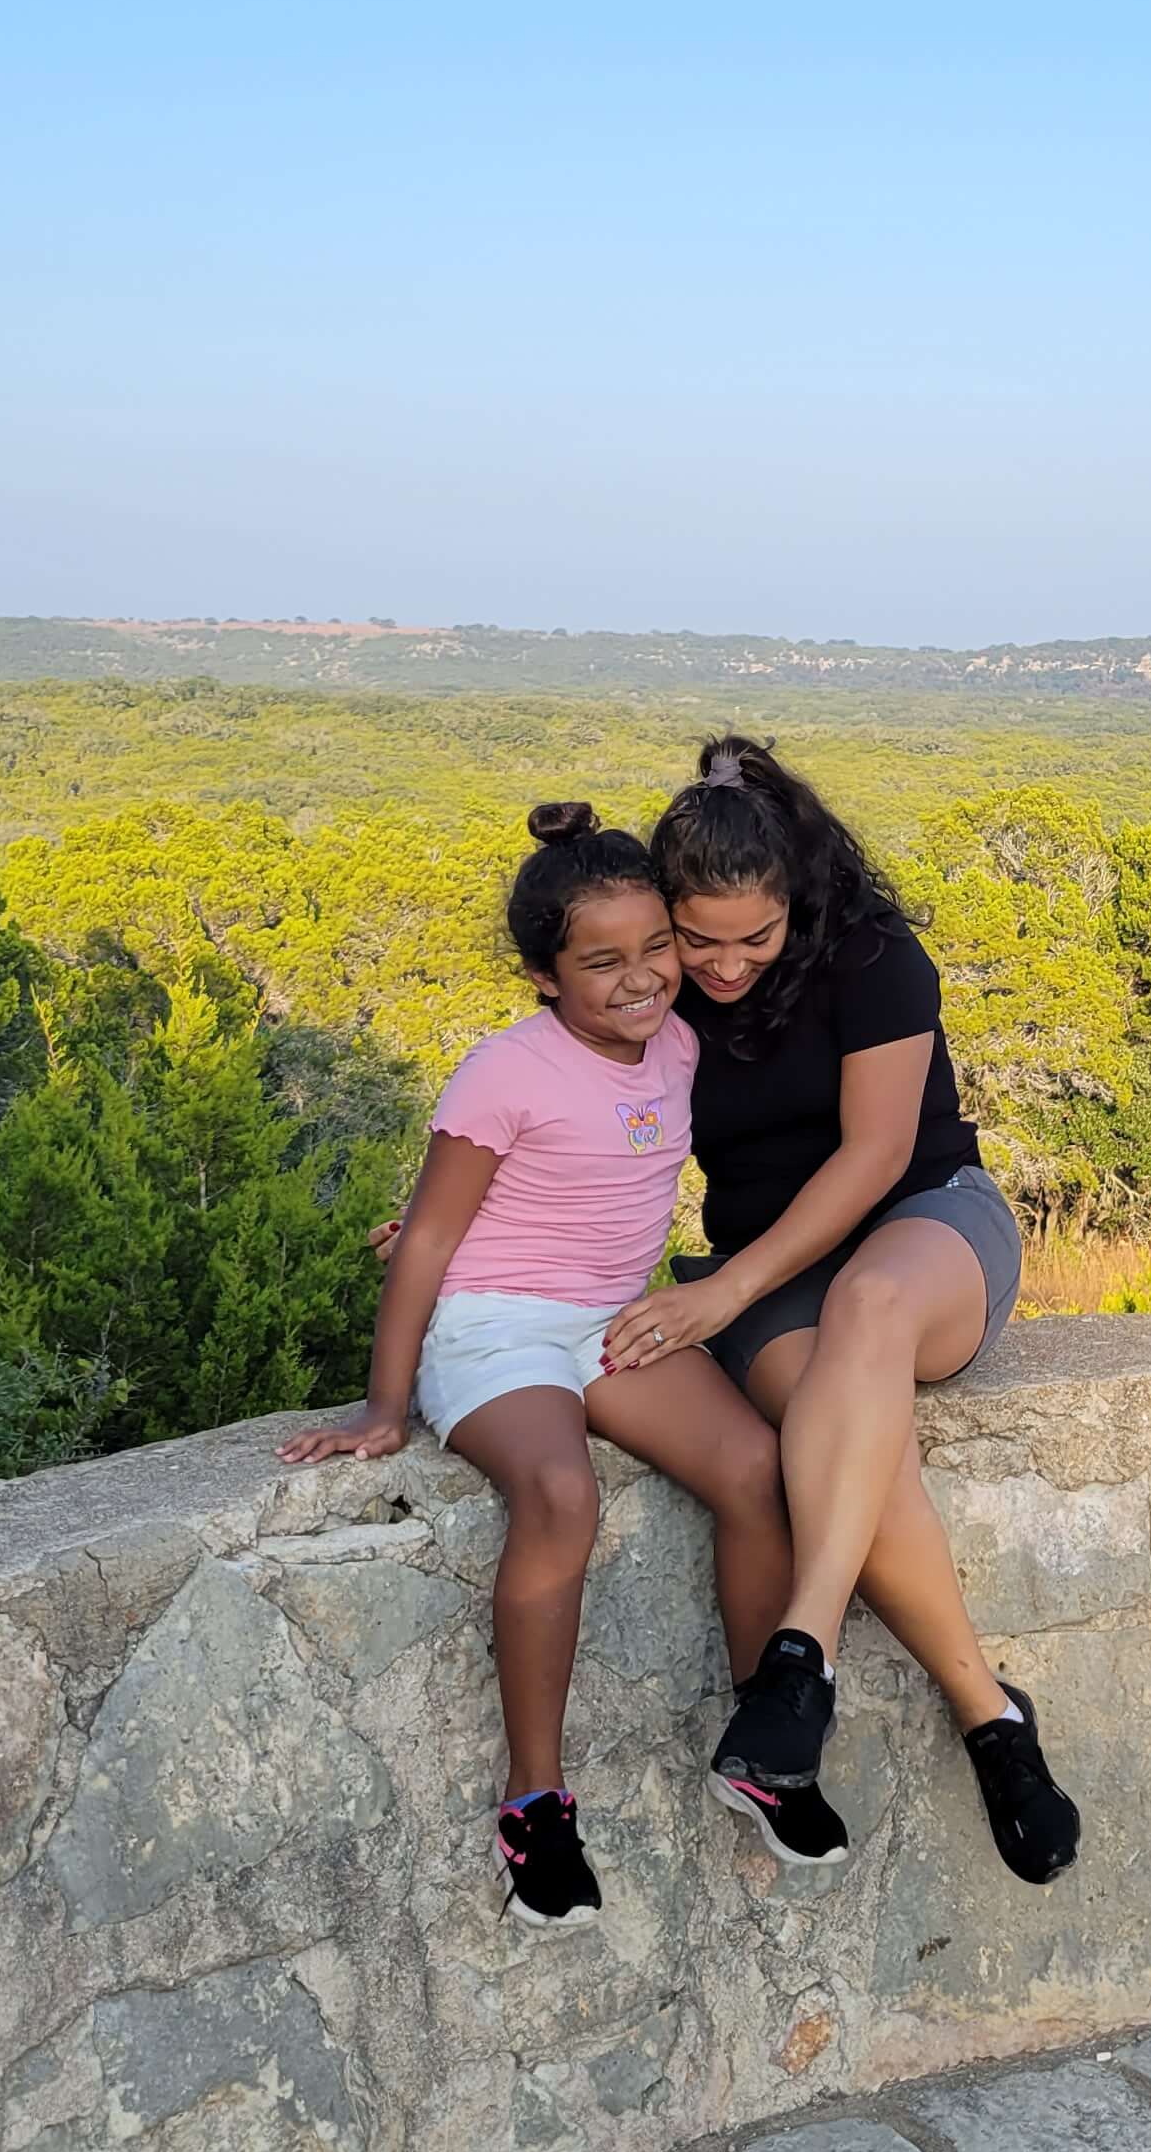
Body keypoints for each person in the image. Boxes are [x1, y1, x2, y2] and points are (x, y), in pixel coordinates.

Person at [278, 801, 828, 1929]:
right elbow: (431, 1238)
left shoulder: (680, 1042)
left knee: (757, 1467)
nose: (643, 979)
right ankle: (535, 1798)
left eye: (656, 948)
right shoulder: (503, 1072)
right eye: (602, 962)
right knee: (558, 1491)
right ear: (542, 973)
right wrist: (387, 1405)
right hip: (493, 1325)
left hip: (611, 1318)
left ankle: (763, 1743)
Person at [600, 735, 1081, 1884]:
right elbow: (564, 1120)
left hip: (927, 1229)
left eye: (751, 940)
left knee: (866, 1306)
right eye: (697, 940)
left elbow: (874, 1158)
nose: (720, 966)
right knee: (850, 1440)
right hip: (773, 1269)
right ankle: (992, 1719)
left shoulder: (872, 957)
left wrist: (723, 1291)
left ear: (796, 900)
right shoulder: (661, 989)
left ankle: (798, 1657)